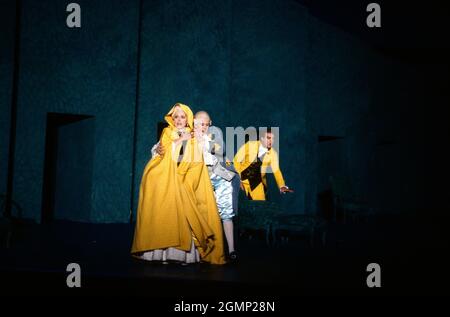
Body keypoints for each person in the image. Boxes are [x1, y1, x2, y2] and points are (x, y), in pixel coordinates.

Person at [131, 103, 225, 265]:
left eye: (182, 116)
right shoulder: (168, 132)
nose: (179, 120)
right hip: (168, 177)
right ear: (171, 119)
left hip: (188, 177)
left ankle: (184, 255)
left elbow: (201, 158)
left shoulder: (195, 135)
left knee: (184, 200)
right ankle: (161, 252)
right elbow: (162, 152)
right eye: (176, 117)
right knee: (162, 199)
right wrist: (178, 141)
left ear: (188, 118)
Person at [152, 111, 240, 262]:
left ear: (210, 123)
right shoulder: (187, 133)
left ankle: (231, 249)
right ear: (193, 122)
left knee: (225, 214)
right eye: (199, 123)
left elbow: (219, 150)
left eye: (205, 124)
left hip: (220, 178)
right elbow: (164, 147)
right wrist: (158, 150)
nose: (202, 126)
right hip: (201, 181)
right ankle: (200, 250)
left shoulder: (214, 133)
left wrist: (202, 140)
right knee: (198, 214)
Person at [233, 128, 293, 200]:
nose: (271, 141)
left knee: (259, 205)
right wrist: (237, 179)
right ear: (262, 138)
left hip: (256, 182)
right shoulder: (250, 145)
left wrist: (282, 186)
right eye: (268, 138)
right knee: (238, 203)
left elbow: (276, 171)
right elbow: (236, 161)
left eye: (273, 138)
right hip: (241, 178)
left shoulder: (273, 153)